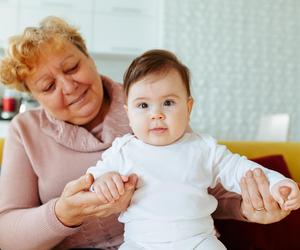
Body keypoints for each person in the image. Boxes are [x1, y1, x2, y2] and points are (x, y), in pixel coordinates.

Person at [0, 16, 291, 250]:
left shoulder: (151, 98)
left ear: (89, 57)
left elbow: (201, 177)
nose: (68, 85)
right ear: (33, 96)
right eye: (48, 86)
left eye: (73, 67)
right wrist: (63, 213)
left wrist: (249, 207)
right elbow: (6, 235)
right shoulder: (25, 131)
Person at [86, 49, 300, 249]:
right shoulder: (122, 150)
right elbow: (93, 179)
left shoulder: (204, 148)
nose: (156, 114)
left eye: (168, 102)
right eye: (143, 105)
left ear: (188, 108)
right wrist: (103, 182)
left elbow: (242, 170)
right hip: (140, 243)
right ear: (128, 114)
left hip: (197, 241)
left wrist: (277, 184)